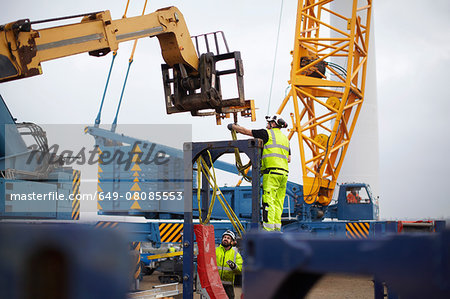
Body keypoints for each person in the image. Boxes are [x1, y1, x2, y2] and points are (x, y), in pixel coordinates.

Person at [227, 114, 291, 231]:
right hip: (284, 173)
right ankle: (277, 228)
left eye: (269, 123)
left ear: (273, 124)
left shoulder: (267, 133)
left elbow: (246, 132)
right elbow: (289, 159)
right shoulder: (285, 139)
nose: (267, 125)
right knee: (278, 201)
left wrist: (233, 127)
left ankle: (268, 229)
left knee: (268, 200)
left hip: (271, 173)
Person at [216, 230, 243, 299]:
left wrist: (234, 266)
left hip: (228, 285)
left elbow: (240, 269)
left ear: (232, 242)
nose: (225, 239)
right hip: (216, 284)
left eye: (228, 238)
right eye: (224, 237)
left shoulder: (236, 254)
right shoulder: (215, 250)